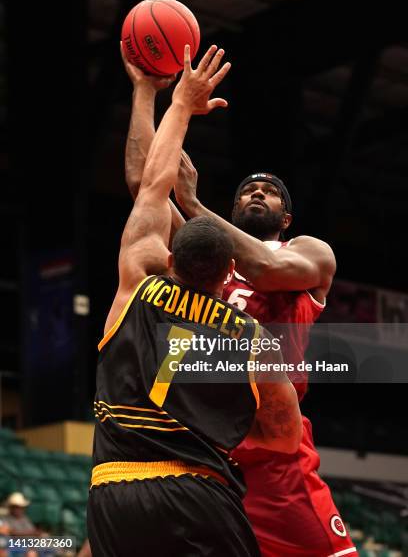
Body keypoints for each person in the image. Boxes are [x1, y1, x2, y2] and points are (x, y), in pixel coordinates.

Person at [125, 64, 356, 556]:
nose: (257, 192)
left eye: (269, 190)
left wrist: (192, 203)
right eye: (248, 189)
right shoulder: (203, 262)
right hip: (201, 444)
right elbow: (147, 190)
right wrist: (146, 92)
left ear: (286, 216)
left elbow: (267, 271)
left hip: (272, 444)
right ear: (230, 213)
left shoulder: (310, 252)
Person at [87, 44, 302, 557]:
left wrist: (166, 98)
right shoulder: (251, 340)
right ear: (230, 273)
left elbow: (150, 190)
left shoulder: (138, 283)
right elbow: (284, 438)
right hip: (200, 491)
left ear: (169, 257)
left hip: (113, 492)